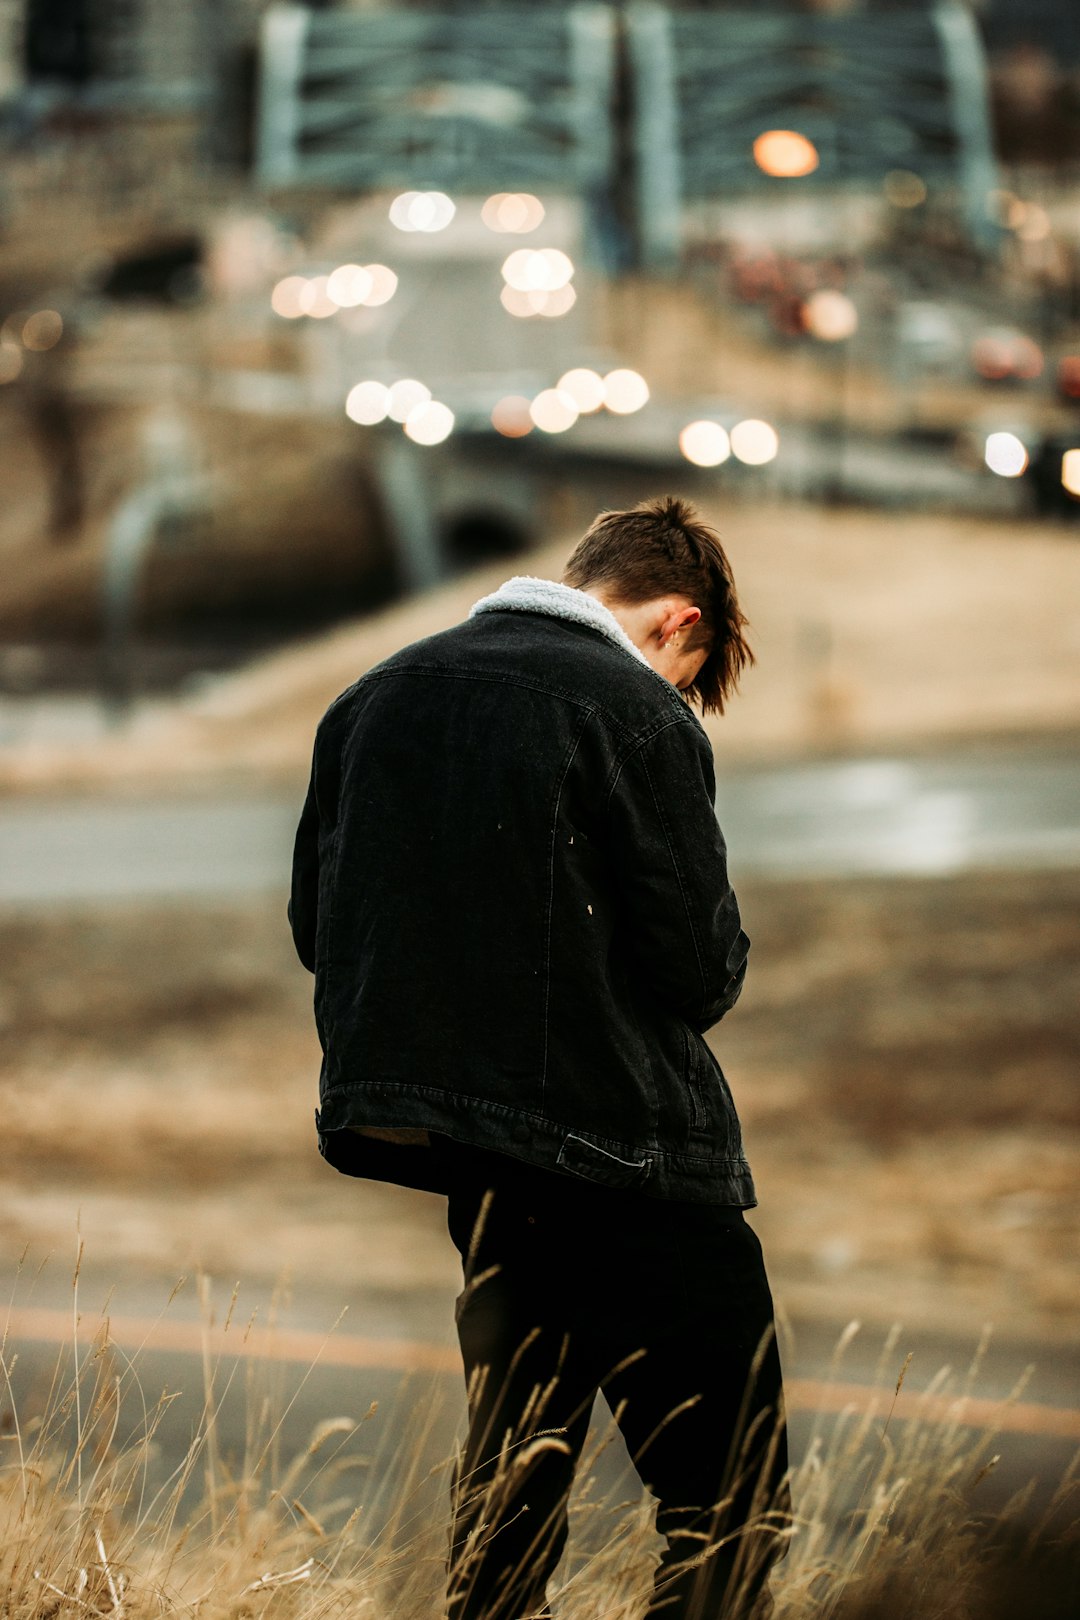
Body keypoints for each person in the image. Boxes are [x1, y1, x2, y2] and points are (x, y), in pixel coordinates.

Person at [289, 495, 790, 1619]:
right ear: (676, 621)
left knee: (513, 1488)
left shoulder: (371, 699)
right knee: (734, 1493)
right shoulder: (638, 716)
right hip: (629, 1156)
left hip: (480, 1164)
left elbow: (318, 929)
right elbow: (701, 973)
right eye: (686, 669)